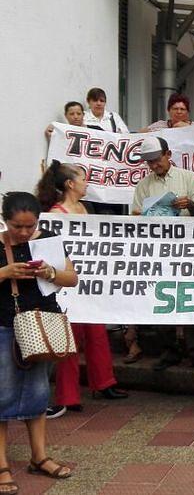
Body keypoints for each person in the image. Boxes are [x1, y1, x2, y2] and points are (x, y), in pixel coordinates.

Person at [35, 161, 129, 419]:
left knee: (97, 333)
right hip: (67, 285)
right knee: (70, 340)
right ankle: (67, 397)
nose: (87, 183)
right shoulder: (57, 214)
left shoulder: (83, 209)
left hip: (90, 284)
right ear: (70, 184)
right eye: (83, 178)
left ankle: (104, 383)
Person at [1, 192, 78, 489]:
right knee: (2, 395)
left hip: (43, 327)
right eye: (16, 226)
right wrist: (5, 272)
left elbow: (71, 278)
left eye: (29, 226)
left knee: (38, 393)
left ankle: (39, 456)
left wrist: (50, 271)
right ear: (5, 220)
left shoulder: (48, 241)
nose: (22, 232)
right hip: (6, 325)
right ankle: (2, 465)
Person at [131, 137, 194, 371]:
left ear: (168, 154)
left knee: (190, 297)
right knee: (162, 299)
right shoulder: (144, 185)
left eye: (156, 160)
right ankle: (170, 350)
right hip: (159, 248)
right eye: (149, 162)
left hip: (189, 247)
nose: (154, 166)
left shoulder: (189, 178)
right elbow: (134, 216)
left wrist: (189, 205)